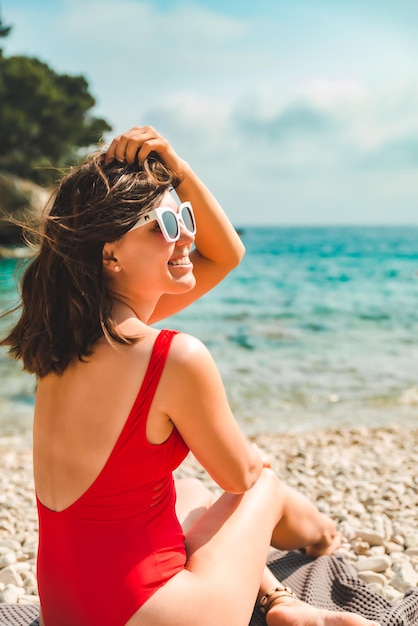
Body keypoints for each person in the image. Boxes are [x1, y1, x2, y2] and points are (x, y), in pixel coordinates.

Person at [1, 126, 381, 626]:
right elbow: (240, 476)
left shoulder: (64, 340)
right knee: (261, 482)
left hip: (67, 610)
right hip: (152, 615)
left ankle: (280, 602)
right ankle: (319, 538)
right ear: (110, 254)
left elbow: (225, 255)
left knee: (188, 494)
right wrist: (255, 460)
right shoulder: (173, 355)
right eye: (164, 222)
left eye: (182, 215)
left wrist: (174, 170)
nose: (185, 233)